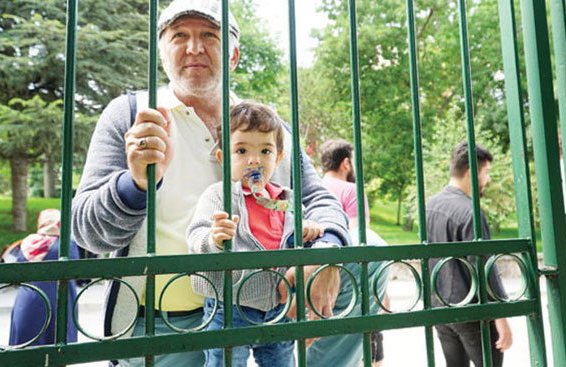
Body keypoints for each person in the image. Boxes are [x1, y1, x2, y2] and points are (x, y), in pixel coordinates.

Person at [70, 1, 348, 366]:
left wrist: (326, 250)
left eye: (209, 36)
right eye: (179, 35)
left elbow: (319, 199)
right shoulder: (129, 114)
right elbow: (87, 233)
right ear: (162, 55)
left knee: (367, 264)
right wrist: (134, 184)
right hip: (160, 324)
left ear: (233, 57)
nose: (194, 48)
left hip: (260, 303)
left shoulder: (266, 124)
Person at [187, 100, 327, 366]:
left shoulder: (289, 201)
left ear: (278, 158)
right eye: (241, 150)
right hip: (228, 307)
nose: (254, 159)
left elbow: (297, 245)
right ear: (223, 158)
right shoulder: (219, 196)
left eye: (265, 150)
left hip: (278, 306)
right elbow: (196, 237)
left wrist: (307, 231)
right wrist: (214, 238)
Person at [426, 142, 512, 367]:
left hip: (440, 308)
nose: (488, 180)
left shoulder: (430, 206)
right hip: (472, 311)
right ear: (471, 172)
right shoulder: (470, 211)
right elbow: (484, 266)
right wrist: (500, 316)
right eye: (487, 173)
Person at [319, 139, 387, 367]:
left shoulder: (314, 189)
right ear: (346, 163)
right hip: (351, 280)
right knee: (367, 346)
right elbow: (361, 239)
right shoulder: (352, 191)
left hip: (315, 275)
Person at [9, 209, 79, 346]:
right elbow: (77, 271)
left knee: (26, 348)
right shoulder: (67, 244)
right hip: (61, 301)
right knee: (58, 348)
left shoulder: (28, 243)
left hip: (29, 301)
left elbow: (17, 273)